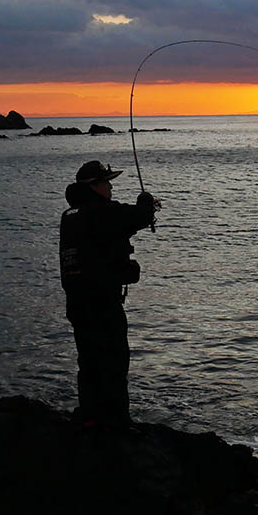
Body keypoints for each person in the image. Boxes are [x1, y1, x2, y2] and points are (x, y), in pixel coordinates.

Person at [59, 160, 158, 430]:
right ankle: (117, 423)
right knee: (114, 362)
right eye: (106, 182)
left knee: (89, 362)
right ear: (93, 186)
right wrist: (146, 202)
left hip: (77, 304)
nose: (111, 187)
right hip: (102, 303)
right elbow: (136, 216)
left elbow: (111, 229)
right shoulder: (101, 213)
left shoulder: (71, 216)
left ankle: (90, 417)